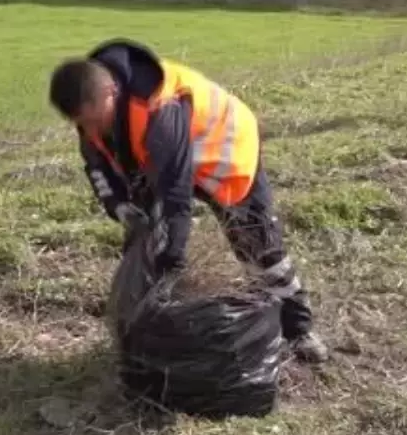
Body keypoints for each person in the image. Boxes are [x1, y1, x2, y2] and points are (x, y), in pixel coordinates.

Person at [48, 39, 329, 364]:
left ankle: (298, 329)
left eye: (95, 121)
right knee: (145, 239)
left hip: (224, 150)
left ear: (111, 91)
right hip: (163, 158)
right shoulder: (92, 110)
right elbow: (98, 166)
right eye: (83, 124)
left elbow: (174, 196)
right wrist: (120, 207)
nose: (90, 130)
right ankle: (143, 329)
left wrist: (172, 263)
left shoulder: (159, 109)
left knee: (257, 244)